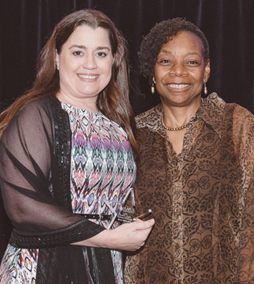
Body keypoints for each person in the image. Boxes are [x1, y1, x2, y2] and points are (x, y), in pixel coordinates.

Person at [0, 9, 154, 284]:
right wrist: (108, 238)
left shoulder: (118, 127)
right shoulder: (37, 115)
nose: (90, 64)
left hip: (105, 266)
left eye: (101, 53)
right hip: (45, 267)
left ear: (114, 60)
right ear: (58, 58)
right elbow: (23, 208)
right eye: (78, 52)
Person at [124, 17, 254, 283]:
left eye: (191, 62)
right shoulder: (131, 136)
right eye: (166, 61)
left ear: (206, 71)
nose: (178, 72)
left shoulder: (237, 125)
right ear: (152, 70)